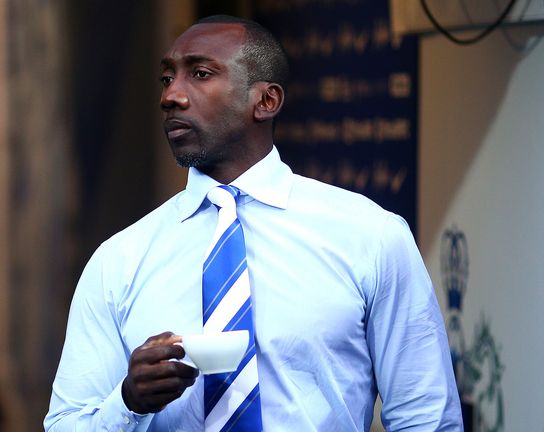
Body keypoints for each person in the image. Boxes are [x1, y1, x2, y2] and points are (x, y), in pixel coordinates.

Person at [44, 15, 462, 431]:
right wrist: (128, 401)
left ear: (266, 101)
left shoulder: (371, 236)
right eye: (166, 78)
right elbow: (66, 424)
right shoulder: (119, 260)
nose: (171, 95)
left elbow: (425, 416)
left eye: (200, 73)